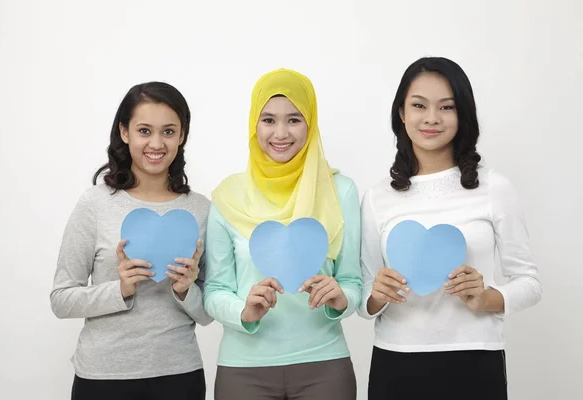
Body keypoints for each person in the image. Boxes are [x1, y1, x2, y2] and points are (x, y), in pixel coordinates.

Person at [358, 56, 542, 400]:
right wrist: (377, 295)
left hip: (475, 359)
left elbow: (529, 282)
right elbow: (365, 299)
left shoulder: (494, 188)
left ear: (463, 115)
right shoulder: (376, 197)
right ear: (401, 112)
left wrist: (487, 297)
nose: (431, 118)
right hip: (396, 361)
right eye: (418, 105)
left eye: (446, 107)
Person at [203, 68, 363, 400]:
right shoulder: (228, 197)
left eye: (294, 119)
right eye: (268, 120)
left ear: (311, 124)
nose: (280, 133)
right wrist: (243, 312)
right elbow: (215, 289)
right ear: (253, 125)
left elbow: (352, 282)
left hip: (325, 365)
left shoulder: (340, 191)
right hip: (243, 369)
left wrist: (340, 299)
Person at [50, 82, 212, 400]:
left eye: (168, 131)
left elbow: (207, 312)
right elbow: (61, 299)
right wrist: (120, 290)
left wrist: (185, 290)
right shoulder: (95, 204)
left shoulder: (200, 209)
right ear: (125, 132)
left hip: (179, 376)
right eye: (144, 130)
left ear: (182, 135)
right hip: (102, 377)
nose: (156, 143)